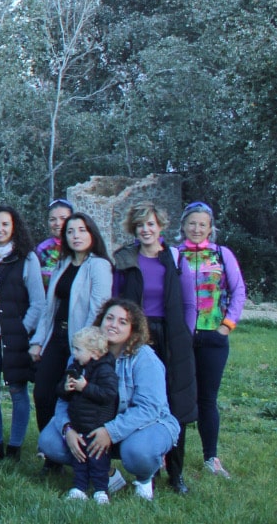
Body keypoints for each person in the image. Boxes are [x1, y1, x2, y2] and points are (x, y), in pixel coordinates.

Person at [37, 298, 180, 502]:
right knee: (50, 442)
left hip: (144, 425)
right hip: (92, 424)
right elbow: (64, 399)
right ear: (100, 321)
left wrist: (111, 432)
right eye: (109, 318)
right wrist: (67, 429)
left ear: (133, 329)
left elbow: (149, 408)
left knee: (138, 452)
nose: (113, 324)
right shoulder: (82, 352)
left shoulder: (145, 358)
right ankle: (106, 473)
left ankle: (145, 478)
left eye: (123, 322)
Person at [114, 202, 201, 493]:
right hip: (138, 337)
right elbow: (116, 301)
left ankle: (176, 474)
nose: (145, 229)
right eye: (140, 225)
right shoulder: (126, 258)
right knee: (139, 399)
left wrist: (185, 336)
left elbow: (190, 303)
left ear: (160, 226)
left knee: (177, 403)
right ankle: (145, 469)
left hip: (171, 336)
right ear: (134, 229)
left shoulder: (175, 259)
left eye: (150, 224)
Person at [0, 205, 45, 460]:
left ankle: (14, 447)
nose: (0, 229)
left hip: (15, 338)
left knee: (17, 391)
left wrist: (20, 330)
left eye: (5, 224)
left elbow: (38, 302)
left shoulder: (27, 258)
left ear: (14, 228)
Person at [176, 201, 245, 479]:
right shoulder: (173, 254)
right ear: (183, 226)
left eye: (202, 224)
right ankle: (171, 457)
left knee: (207, 399)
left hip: (213, 336)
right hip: (181, 339)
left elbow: (239, 290)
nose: (196, 228)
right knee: (178, 398)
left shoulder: (221, 254)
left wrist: (227, 326)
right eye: (192, 223)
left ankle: (211, 457)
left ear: (210, 228)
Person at [30, 212, 113, 433]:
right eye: (70, 231)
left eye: (81, 230)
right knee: (42, 393)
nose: (76, 235)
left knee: (69, 395)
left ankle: (68, 447)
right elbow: (50, 308)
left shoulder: (99, 266)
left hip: (81, 344)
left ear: (92, 233)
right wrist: (38, 340)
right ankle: (48, 449)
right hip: (55, 338)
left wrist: (82, 347)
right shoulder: (62, 264)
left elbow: (98, 309)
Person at [59, 325, 120, 503]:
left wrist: (85, 387)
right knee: (79, 459)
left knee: (98, 460)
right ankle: (79, 487)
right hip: (78, 425)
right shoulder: (76, 367)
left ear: (93, 353)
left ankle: (101, 490)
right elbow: (61, 391)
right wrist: (65, 388)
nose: (74, 353)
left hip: (96, 426)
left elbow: (108, 394)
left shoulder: (105, 370)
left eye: (78, 349)